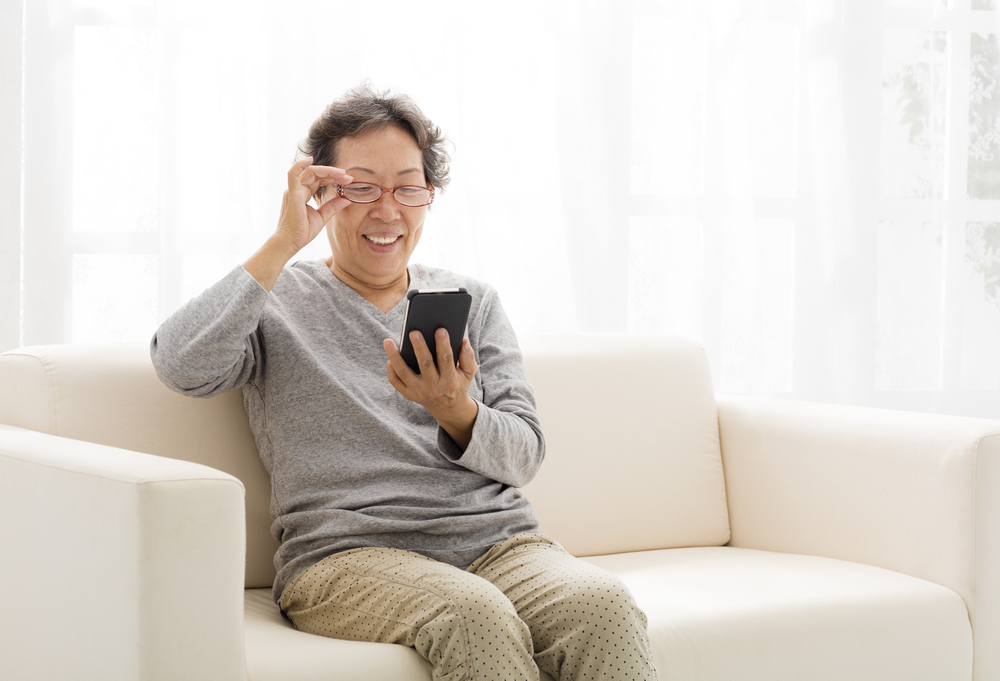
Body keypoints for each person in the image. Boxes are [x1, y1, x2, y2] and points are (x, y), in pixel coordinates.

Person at [150, 84, 658, 681]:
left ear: (427, 196)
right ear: (322, 191)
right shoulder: (273, 303)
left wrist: (456, 410)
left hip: (498, 545)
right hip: (346, 558)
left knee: (605, 606)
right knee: (473, 615)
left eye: (407, 188)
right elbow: (180, 364)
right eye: (361, 187)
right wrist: (283, 242)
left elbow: (525, 455)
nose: (386, 210)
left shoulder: (475, 301)